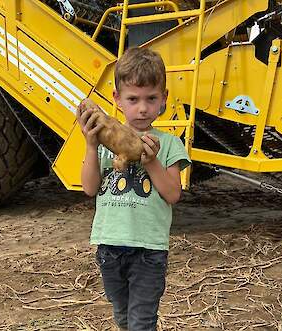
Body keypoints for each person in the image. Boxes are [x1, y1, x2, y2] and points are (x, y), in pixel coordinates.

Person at [76, 47, 191, 330]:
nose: (142, 108)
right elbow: (89, 188)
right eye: (133, 99)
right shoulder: (105, 141)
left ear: (164, 98)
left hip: (148, 251)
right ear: (117, 99)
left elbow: (173, 194)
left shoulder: (170, 144)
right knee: (124, 317)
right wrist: (91, 145)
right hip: (110, 247)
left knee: (142, 321)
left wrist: (150, 163)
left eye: (151, 99)